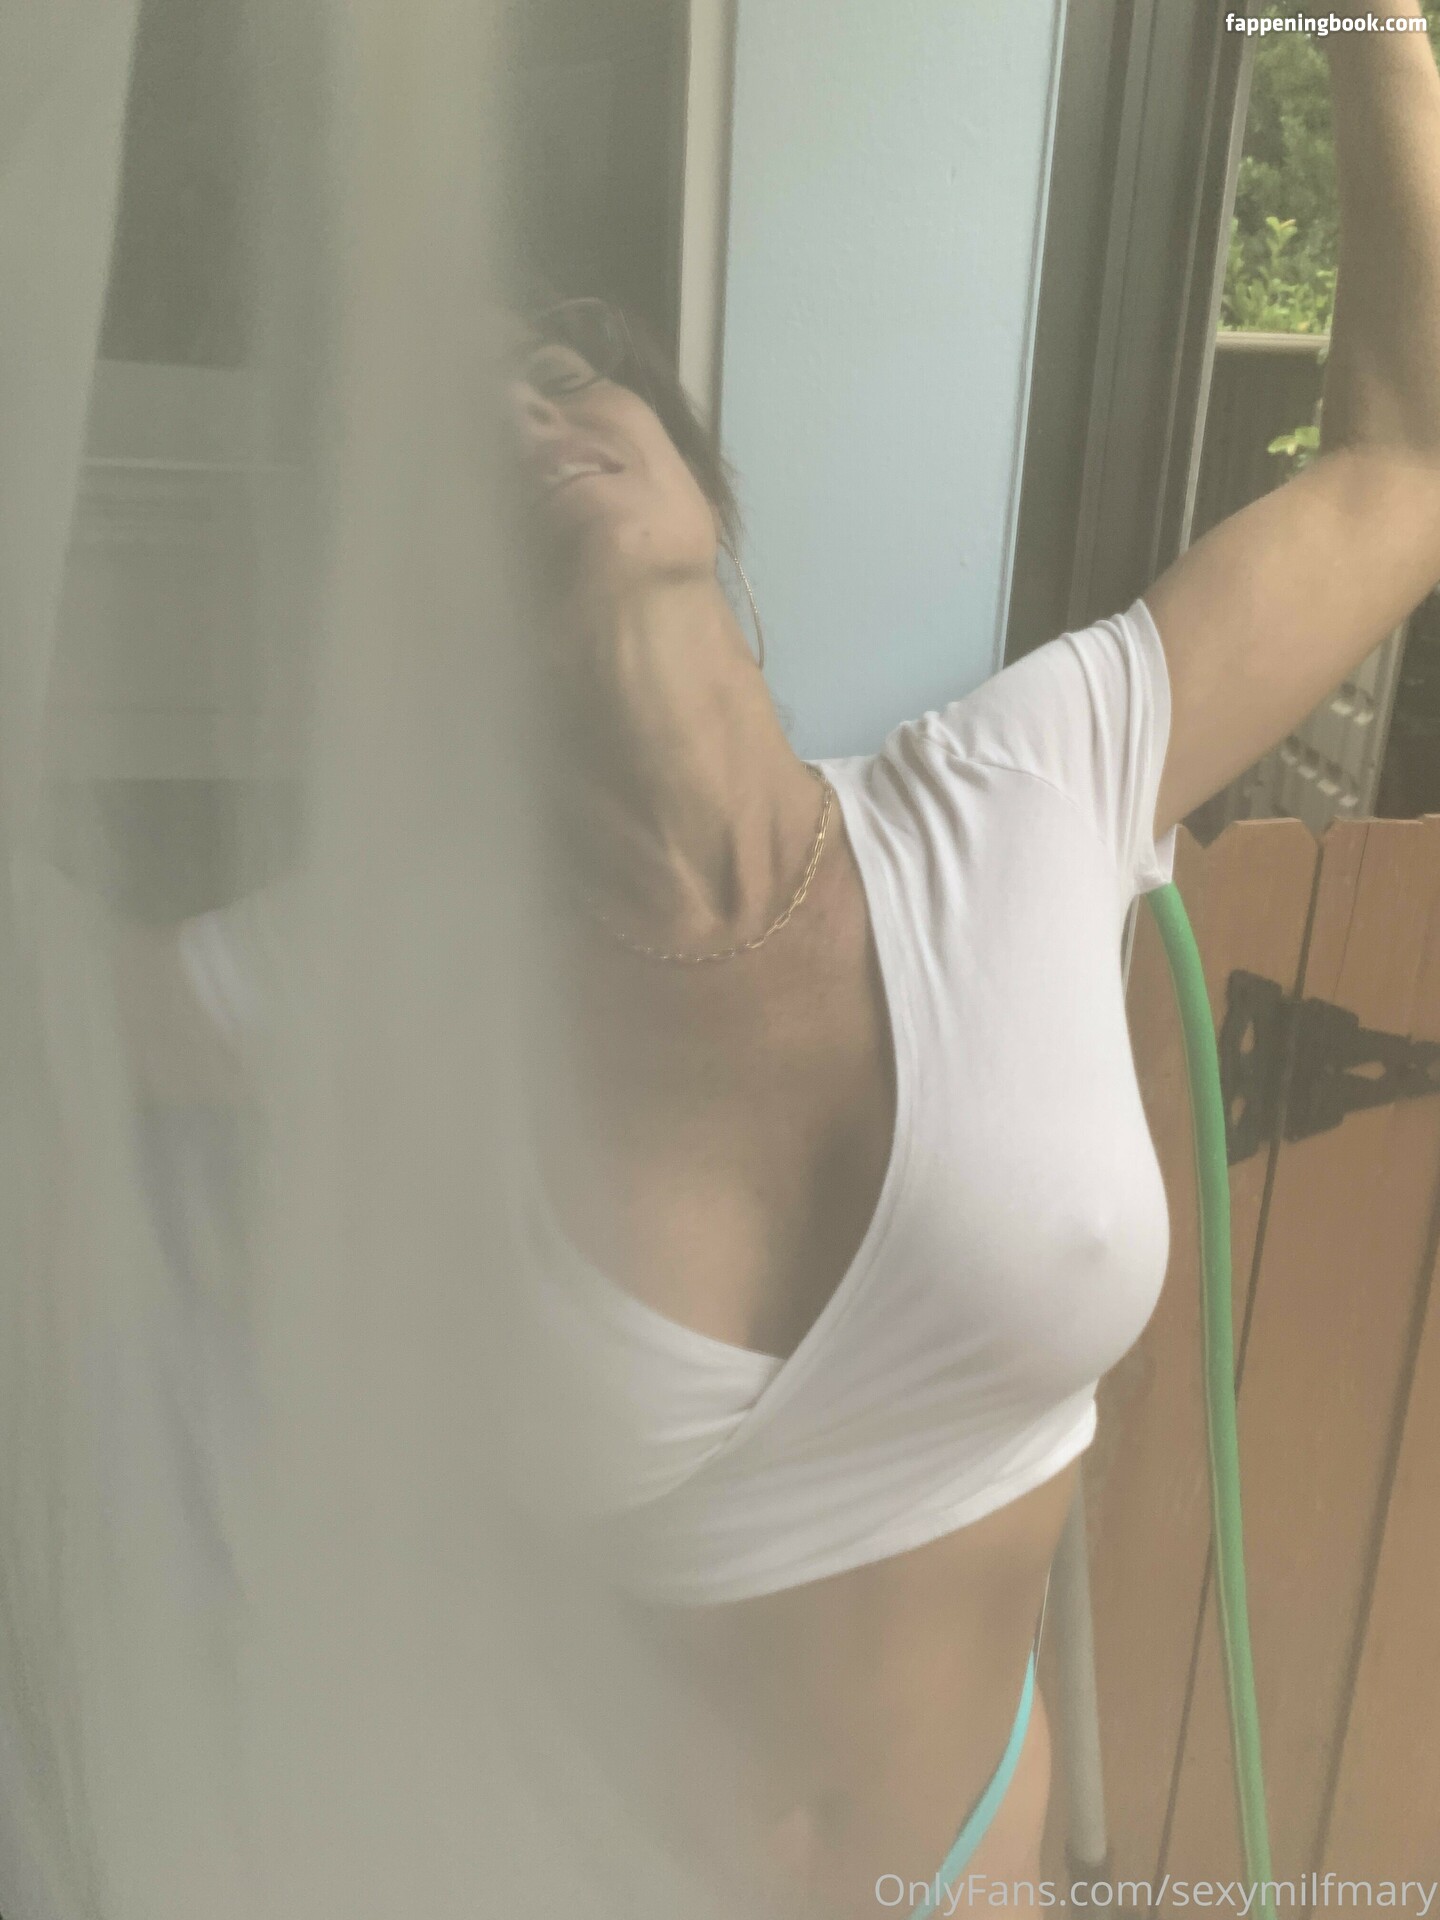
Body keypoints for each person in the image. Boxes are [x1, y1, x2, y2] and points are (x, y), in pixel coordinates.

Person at [119, 12, 1440, 1916]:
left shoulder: (1026, 784)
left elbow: (1404, 458)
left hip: (978, 1871)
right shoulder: (388, 966)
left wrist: (1364, 19)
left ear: (704, 487)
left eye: (564, 374)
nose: (525, 418)